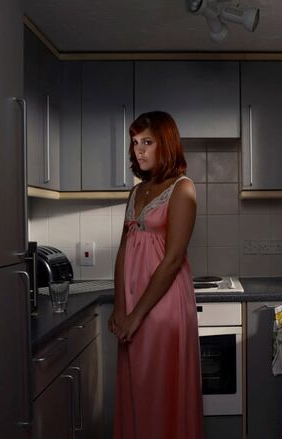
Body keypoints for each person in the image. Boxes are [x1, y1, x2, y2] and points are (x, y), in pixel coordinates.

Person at [109, 111, 204, 438]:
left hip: (162, 305)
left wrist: (136, 315)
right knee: (138, 388)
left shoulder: (182, 188)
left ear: (166, 143)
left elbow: (173, 258)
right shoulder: (135, 192)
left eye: (147, 142)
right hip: (132, 304)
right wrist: (120, 307)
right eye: (135, 142)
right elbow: (123, 250)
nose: (139, 150)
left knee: (159, 389)